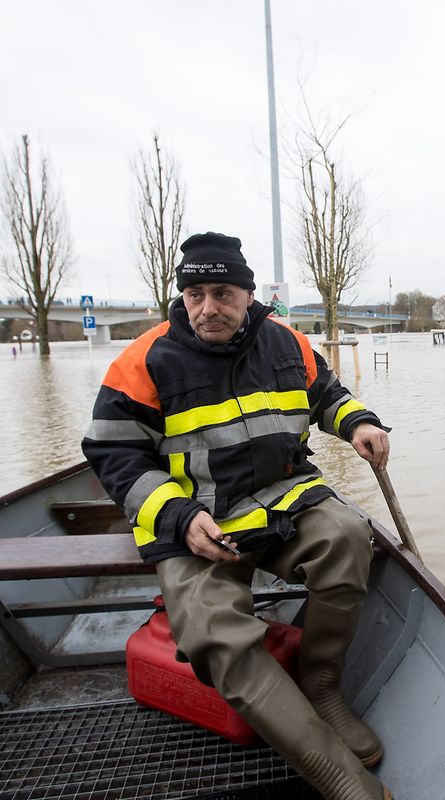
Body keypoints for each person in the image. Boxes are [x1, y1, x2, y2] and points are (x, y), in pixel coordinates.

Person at [82, 232, 393, 800]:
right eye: (195, 293)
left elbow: (327, 393)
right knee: (212, 634)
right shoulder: (143, 359)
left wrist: (359, 423)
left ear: (248, 295)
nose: (208, 308)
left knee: (349, 536)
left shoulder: (287, 343)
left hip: (284, 501)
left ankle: (322, 687)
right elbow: (112, 453)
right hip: (196, 523)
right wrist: (175, 516)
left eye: (222, 292)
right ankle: (337, 776)